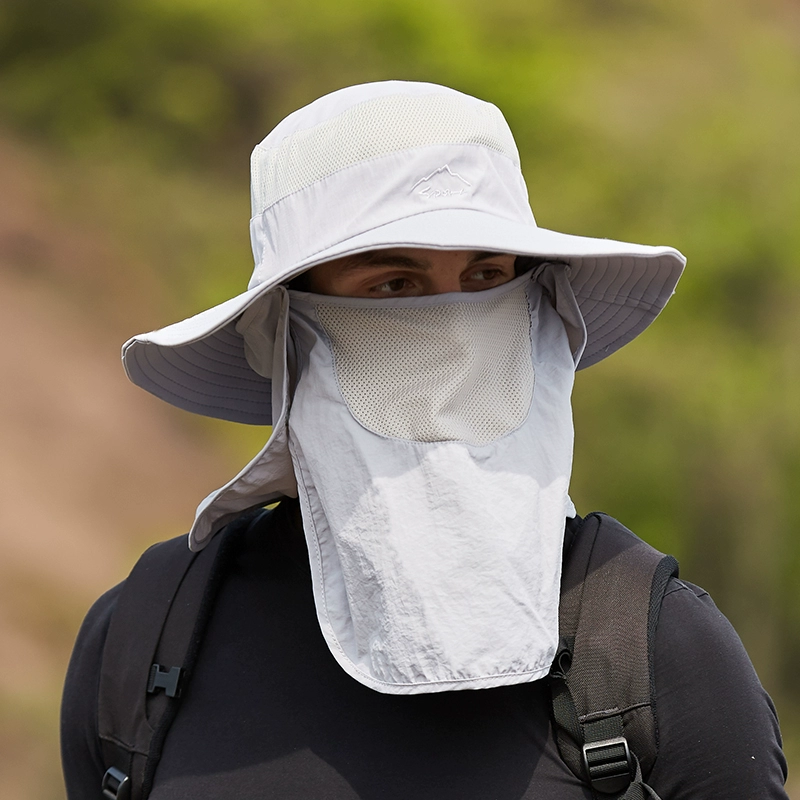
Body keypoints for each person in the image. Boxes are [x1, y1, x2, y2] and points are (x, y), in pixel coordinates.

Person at [61, 80, 789, 798]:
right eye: (393, 285)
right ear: (282, 328)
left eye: (486, 276)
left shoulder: (654, 653)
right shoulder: (144, 644)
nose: (455, 331)